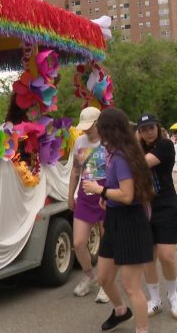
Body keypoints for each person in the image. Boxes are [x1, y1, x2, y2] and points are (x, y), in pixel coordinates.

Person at [82, 108, 154, 333]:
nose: (97, 131)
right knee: (104, 277)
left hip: (130, 224)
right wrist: (107, 198)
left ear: (108, 129)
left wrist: (100, 190)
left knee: (132, 287)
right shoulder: (113, 152)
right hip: (114, 219)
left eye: (100, 126)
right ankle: (121, 311)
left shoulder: (122, 156)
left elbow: (127, 195)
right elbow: (121, 193)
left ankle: (142, 329)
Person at [136, 113, 177, 321]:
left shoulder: (165, 146)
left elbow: (139, 164)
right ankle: (154, 300)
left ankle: (173, 295)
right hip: (144, 207)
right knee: (148, 256)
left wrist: (135, 145)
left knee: (166, 255)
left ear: (157, 127)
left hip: (166, 206)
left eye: (151, 128)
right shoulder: (139, 147)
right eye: (143, 129)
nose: (148, 132)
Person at [67, 107, 109, 303]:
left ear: (99, 123)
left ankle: (106, 283)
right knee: (78, 243)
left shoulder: (110, 141)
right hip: (85, 196)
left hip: (106, 196)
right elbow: (76, 170)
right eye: (84, 127)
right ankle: (89, 276)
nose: (86, 131)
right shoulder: (80, 142)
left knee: (107, 241)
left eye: (90, 127)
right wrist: (70, 195)